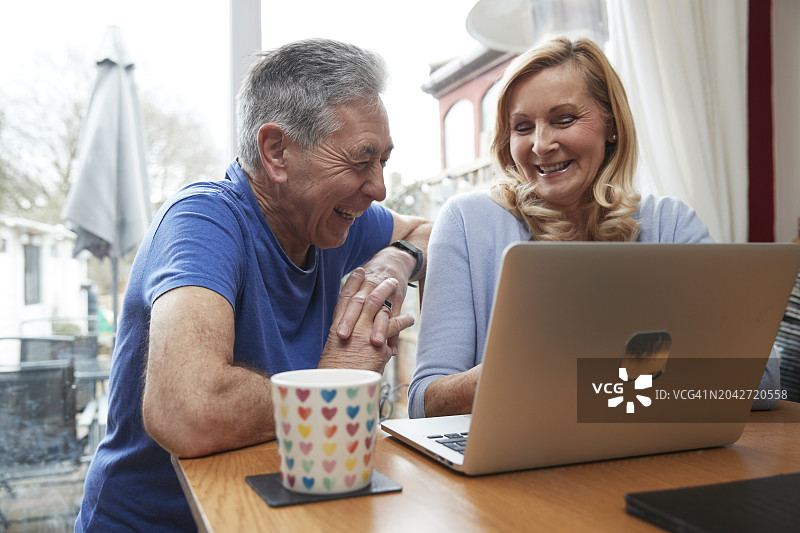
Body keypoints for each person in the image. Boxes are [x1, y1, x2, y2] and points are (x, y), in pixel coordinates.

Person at [76, 39, 431, 532]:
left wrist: (398, 258)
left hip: (273, 515)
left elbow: (428, 232)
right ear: (276, 152)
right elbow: (188, 409)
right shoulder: (203, 220)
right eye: (360, 161)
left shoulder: (336, 223)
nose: (378, 188)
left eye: (383, 162)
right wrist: (332, 383)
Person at [407, 36, 780, 419]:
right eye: (522, 127)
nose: (540, 144)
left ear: (612, 126)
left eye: (563, 119)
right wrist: (506, 377)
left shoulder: (669, 224)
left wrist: (582, 384)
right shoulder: (468, 223)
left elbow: (765, 380)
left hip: (650, 458)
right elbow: (424, 402)